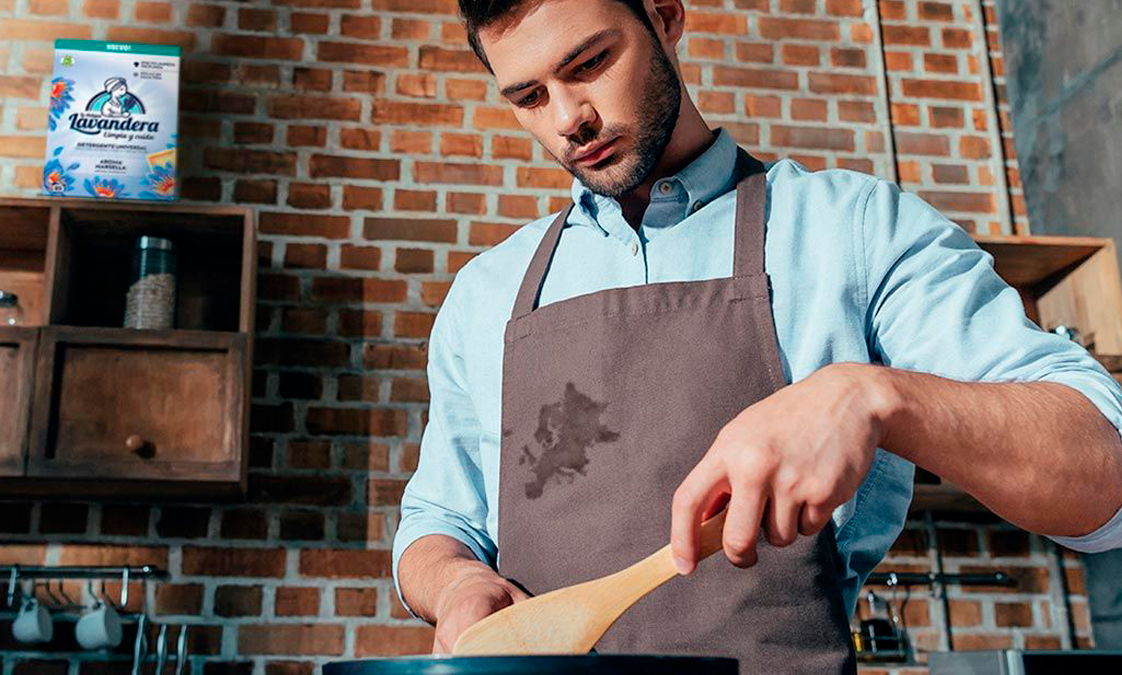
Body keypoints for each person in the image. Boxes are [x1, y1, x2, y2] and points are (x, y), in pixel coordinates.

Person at [392, 0, 1122, 670]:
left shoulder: (852, 230)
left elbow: (1105, 471)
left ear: (666, 17)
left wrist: (875, 396)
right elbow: (437, 519)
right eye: (528, 96)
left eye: (588, 65)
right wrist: (455, 582)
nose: (566, 119)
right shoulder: (485, 295)